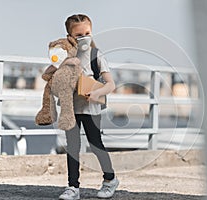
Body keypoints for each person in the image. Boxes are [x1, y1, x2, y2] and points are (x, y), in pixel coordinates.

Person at [58, 14, 119, 200]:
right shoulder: (65, 54)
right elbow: (53, 75)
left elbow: (111, 84)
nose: (84, 37)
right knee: (72, 146)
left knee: (95, 144)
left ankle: (110, 179)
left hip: (91, 108)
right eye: (78, 35)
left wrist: (97, 94)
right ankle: (72, 187)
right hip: (71, 108)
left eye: (87, 33)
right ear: (69, 35)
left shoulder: (96, 54)